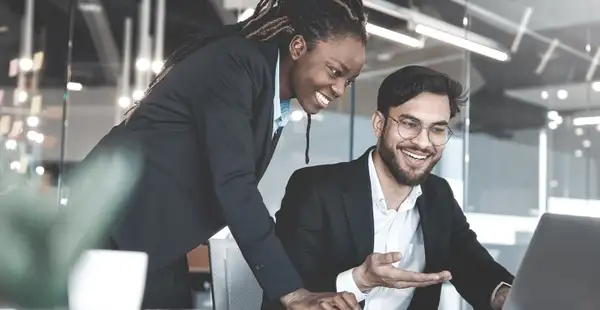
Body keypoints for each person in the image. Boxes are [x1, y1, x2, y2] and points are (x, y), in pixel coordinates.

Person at [77, 0, 368, 309]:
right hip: (108, 231)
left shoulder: (266, 92)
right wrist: (292, 292)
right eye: (335, 71)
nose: (339, 89)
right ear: (298, 47)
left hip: (153, 242)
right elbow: (234, 183)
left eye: (348, 81)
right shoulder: (236, 65)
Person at [268, 66, 515, 310]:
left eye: (437, 129)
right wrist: (358, 280)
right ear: (379, 124)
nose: (423, 142)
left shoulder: (438, 195)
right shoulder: (316, 189)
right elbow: (285, 292)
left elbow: (472, 265)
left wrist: (502, 293)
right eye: (410, 124)